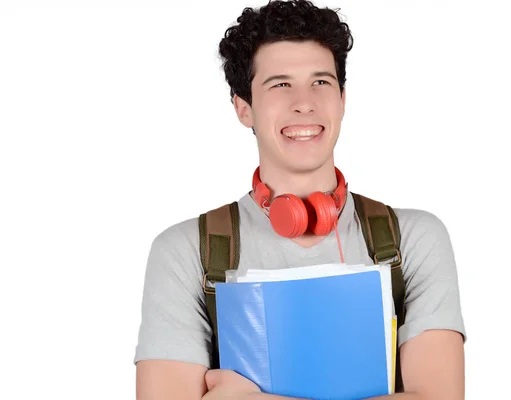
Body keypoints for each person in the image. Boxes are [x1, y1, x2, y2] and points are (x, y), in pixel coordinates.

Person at [134, 1, 467, 399]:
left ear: (343, 99)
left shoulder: (413, 239)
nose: (304, 102)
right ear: (244, 108)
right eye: (280, 84)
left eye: (321, 82)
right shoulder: (187, 251)